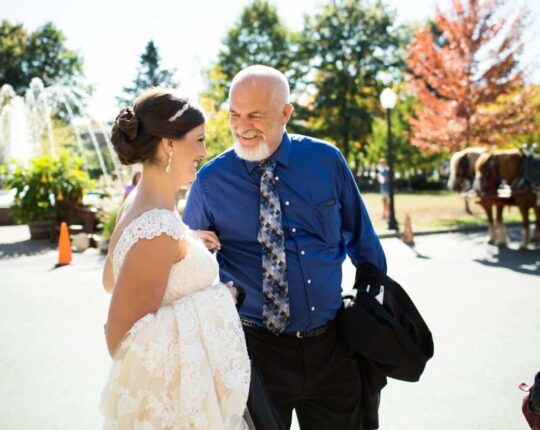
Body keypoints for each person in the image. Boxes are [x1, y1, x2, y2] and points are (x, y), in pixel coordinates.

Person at [184, 65, 387, 429]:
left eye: (256, 115)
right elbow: (188, 267)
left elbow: (364, 241)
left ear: (285, 113)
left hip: (334, 346)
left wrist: (370, 313)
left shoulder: (326, 161)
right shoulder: (210, 181)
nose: (242, 125)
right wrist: (193, 247)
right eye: (234, 114)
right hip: (254, 352)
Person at [100, 88, 250, 429]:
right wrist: (219, 300)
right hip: (174, 413)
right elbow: (122, 341)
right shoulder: (159, 227)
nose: (204, 151)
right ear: (169, 143)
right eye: (198, 140)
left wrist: (185, 243)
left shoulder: (140, 207)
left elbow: (111, 279)